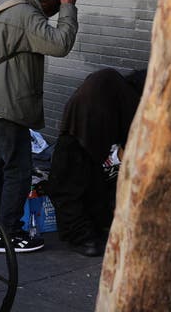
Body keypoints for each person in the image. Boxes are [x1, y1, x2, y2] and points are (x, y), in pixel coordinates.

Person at [0, 0, 78, 253]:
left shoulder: (6, 3)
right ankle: (9, 234)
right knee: (18, 169)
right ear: (47, 7)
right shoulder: (27, 15)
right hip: (3, 107)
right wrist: (69, 9)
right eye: (50, 15)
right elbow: (61, 43)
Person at [47, 68, 146, 256]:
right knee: (84, 187)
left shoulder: (110, 79)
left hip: (74, 132)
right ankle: (91, 234)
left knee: (67, 189)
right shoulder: (130, 100)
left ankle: (83, 237)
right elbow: (130, 148)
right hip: (89, 141)